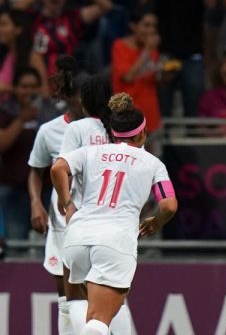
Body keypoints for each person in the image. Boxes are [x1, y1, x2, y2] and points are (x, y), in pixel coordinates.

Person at [51, 93, 178, 335]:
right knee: (100, 319)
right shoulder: (152, 163)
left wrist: (66, 200)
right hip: (115, 241)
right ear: (142, 133)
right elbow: (169, 205)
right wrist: (156, 222)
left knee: (78, 301)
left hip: (77, 236)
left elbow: (58, 167)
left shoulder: (90, 151)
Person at [58, 74, 137, 334]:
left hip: (83, 221)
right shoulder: (119, 131)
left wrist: (66, 203)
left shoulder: (76, 129)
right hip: (117, 225)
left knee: (75, 297)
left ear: (83, 101)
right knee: (114, 297)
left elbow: (61, 169)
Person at [27, 56, 87, 335]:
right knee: (65, 296)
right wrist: (36, 204)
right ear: (68, 96)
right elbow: (36, 171)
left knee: (97, 295)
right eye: (75, 96)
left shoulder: (103, 131)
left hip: (94, 221)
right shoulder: (48, 131)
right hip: (61, 220)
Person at [139, 0, 217, 117]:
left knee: (194, 106)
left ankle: (193, 147)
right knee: (162, 105)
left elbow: (212, 4)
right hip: (165, 52)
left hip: (193, 53)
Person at [0, 67, 57, 244]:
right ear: (15, 88)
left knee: (49, 246)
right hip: (13, 190)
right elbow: (2, 144)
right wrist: (21, 120)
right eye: (24, 86)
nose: (29, 91)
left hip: (47, 189)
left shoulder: (52, 112)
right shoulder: (5, 111)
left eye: (33, 86)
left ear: (40, 88)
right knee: (16, 243)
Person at [19, 0, 113, 77]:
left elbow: (107, 6)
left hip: (68, 77)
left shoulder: (73, 17)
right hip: (39, 78)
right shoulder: (33, 17)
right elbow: (15, 11)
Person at [110, 9, 162, 135]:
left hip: (151, 118)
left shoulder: (153, 51)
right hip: (126, 119)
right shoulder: (120, 46)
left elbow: (154, 78)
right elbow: (128, 77)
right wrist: (148, 51)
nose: (151, 31)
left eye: (154, 26)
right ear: (133, 26)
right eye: (146, 25)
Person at [0, 9, 49, 100]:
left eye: (4, 24)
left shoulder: (33, 57)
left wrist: (6, 88)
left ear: (18, 29)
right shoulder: (8, 56)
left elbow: (44, 92)